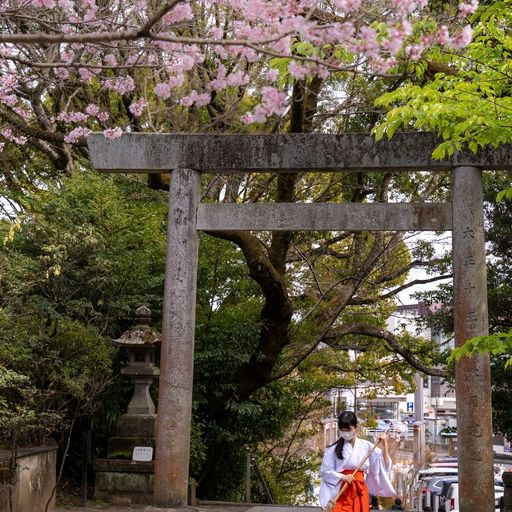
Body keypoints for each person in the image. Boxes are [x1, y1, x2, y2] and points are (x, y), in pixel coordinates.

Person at [319, 410, 396, 512]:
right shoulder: (333, 450)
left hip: (359, 490)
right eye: (342, 430)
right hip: (341, 491)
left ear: (356, 428)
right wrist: (342, 477)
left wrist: (384, 444)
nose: (345, 433)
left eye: (348, 429)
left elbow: (382, 465)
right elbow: (325, 471)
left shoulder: (366, 446)